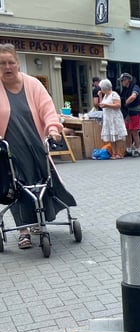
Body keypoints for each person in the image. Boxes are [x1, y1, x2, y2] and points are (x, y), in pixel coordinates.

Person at [0, 43, 76, 249]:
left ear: (17, 63)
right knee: (16, 187)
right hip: (9, 150)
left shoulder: (33, 84)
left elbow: (47, 109)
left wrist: (53, 129)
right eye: (2, 63)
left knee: (41, 183)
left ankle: (38, 223)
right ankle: (23, 231)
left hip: (35, 143)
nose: (7, 67)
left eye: (11, 62)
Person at [97, 78, 127, 159]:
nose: (101, 89)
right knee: (111, 136)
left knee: (118, 136)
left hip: (115, 117)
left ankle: (119, 153)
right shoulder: (105, 96)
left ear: (105, 88)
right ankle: (113, 153)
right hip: (108, 118)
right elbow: (101, 105)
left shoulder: (114, 94)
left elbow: (118, 105)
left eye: (101, 88)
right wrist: (100, 96)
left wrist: (107, 106)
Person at [118, 73, 140, 157]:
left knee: (134, 132)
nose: (121, 82)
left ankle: (138, 149)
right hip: (127, 113)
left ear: (127, 80)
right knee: (127, 131)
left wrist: (125, 103)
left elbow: (133, 96)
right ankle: (128, 149)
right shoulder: (125, 89)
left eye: (122, 80)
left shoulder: (135, 87)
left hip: (135, 112)